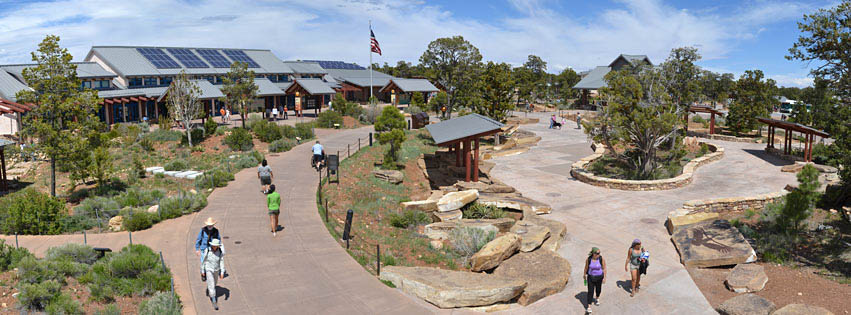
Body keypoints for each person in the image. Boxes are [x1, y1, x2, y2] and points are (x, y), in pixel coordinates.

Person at [201, 238, 226, 310]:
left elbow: (221, 261)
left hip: (216, 270)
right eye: (214, 246)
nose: (215, 247)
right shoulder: (207, 250)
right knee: (211, 284)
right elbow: (204, 260)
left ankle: (211, 291)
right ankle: (214, 300)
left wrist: (222, 271)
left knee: (214, 282)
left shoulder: (220, 251)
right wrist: (203, 270)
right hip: (209, 269)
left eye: (216, 246)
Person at [194, 217, 221, 282]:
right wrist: (197, 249)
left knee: (211, 261)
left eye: (211, 225)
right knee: (203, 262)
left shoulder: (216, 231)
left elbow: (219, 240)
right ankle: (203, 274)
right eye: (209, 225)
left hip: (212, 249)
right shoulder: (203, 230)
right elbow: (198, 239)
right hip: (204, 248)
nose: (210, 226)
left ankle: (210, 273)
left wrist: (218, 248)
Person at [583, 247, 606, 313]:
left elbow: (604, 268)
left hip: (599, 277)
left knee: (598, 289)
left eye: (599, 253)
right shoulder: (589, 259)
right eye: (597, 253)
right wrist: (584, 275)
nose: (599, 254)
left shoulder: (601, 259)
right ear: (593, 253)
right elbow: (586, 267)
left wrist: (604, 277)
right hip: (591, 277)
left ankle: (597, 297)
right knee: (590, 291)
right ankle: (589, 306)